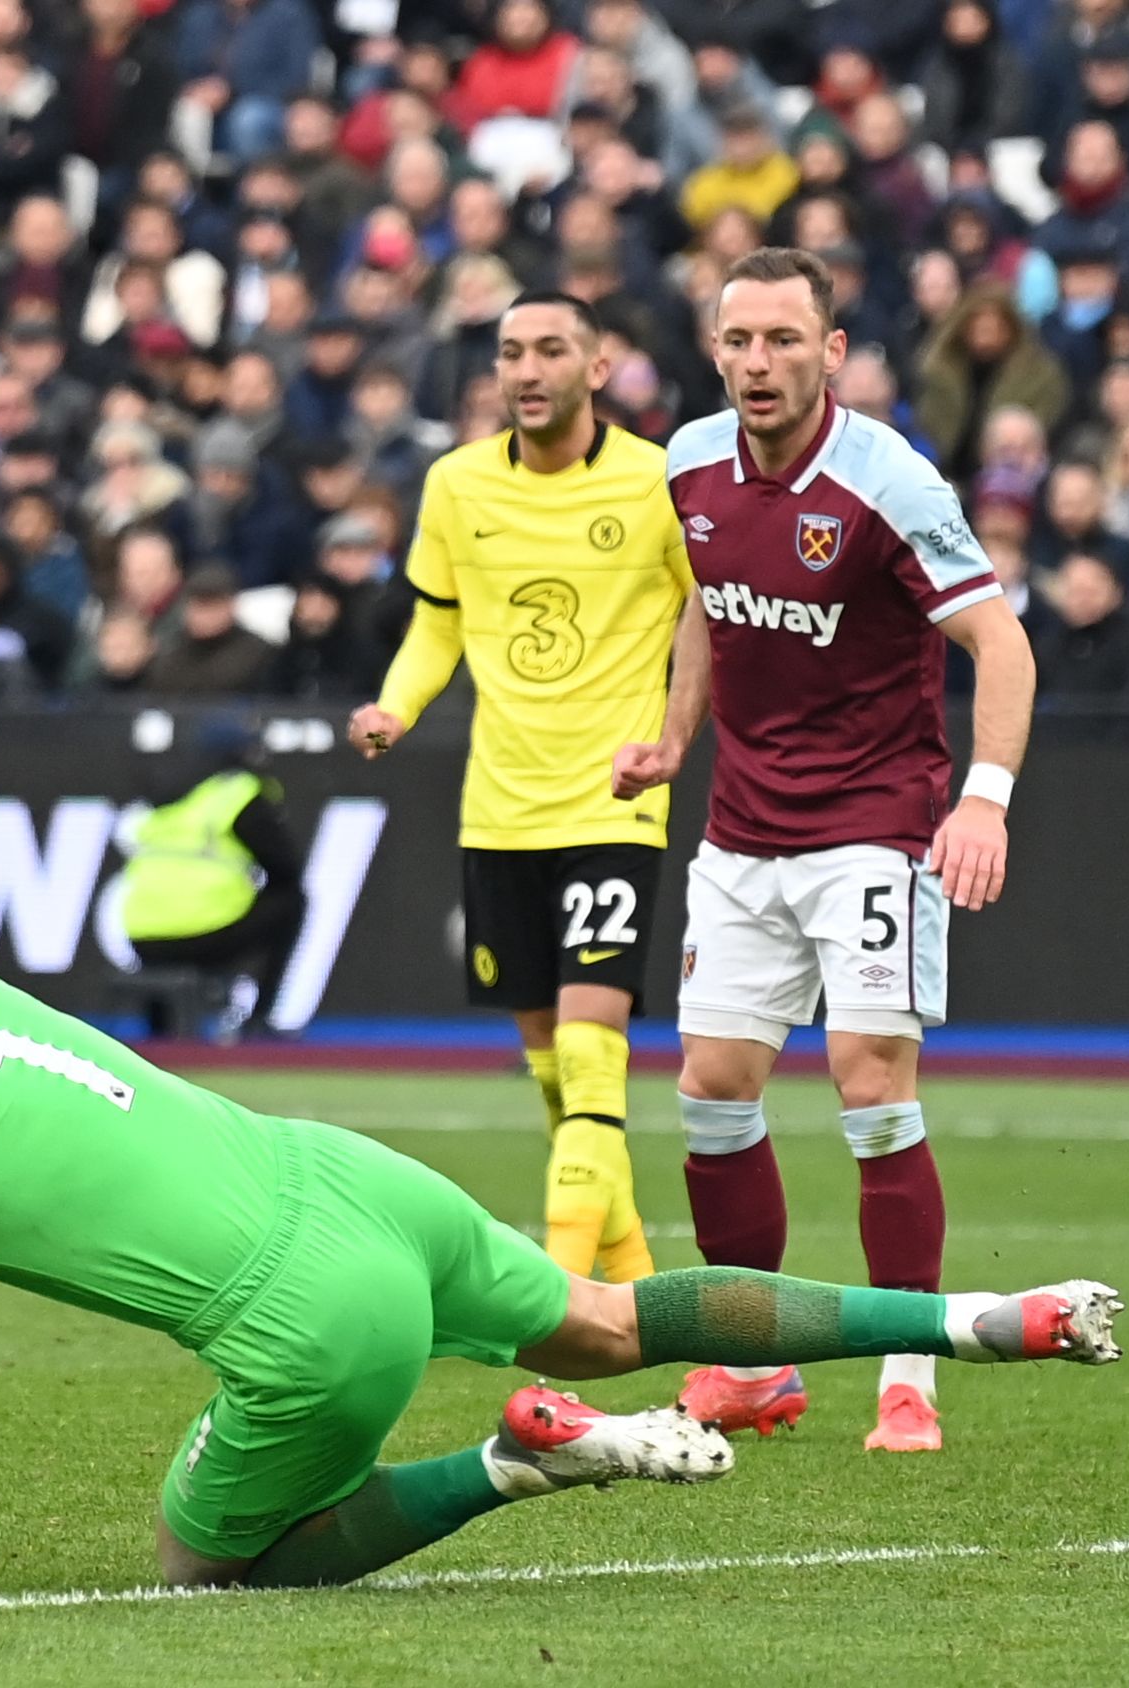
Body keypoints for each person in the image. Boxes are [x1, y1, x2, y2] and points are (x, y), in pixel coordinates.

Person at [0, 858, 1123, 1593]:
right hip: (361, 1185)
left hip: (304, 1322)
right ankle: (969, 1321)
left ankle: (517, 1466)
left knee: (216, 1569)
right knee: (607, 1307)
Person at [614, 247, 1039, 1453]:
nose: (759, 361)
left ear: (832, 352)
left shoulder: (888, 481)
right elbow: (709, 598)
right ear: (715, 349)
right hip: (743, 830)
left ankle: (911, 1368)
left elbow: (1001, 648)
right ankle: (754, 1365)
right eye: (740, 340)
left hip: (875, 823)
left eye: (785, 340)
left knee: (869, 1079)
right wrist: (671, 736)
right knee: (709, 1093)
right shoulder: (689, 461)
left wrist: (986, 802)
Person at [348, 292, 695, 1288]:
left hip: (614, 801)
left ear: (599, 366)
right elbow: (438, 625)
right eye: (510, 352)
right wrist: (396, 707)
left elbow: (706, 616)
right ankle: (633, 1285)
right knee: (559, 1080)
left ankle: (561, 1301)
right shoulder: (457, 485)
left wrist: (675, 733)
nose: (528, 368)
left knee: (594, 1052)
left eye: (551, 349)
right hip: (500, 805)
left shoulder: (657, 479)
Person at [119, 718, 303, 1039]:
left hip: (141, 936)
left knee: (176, 925)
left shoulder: (165, 795)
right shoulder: (236, 793)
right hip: (205, 933)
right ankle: (258, 1020)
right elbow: (287, 866)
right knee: (291, 901)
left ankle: (161, 1033)